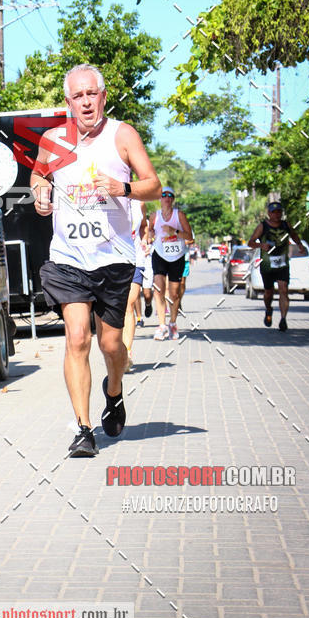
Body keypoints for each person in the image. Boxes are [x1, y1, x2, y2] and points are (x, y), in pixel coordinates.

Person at [30, 64, 161, 457]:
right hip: (68, 258)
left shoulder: (122, 136)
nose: (86, 102)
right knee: (77, 337)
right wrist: (41, 194)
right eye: (78, 96)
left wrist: (123, 187)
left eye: (92, 94)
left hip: (114, 259)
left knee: (111, 343)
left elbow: (152, 184)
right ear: (68, 102)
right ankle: (84, 430)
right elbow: (38, 176)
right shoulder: (53, 140)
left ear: (103, 97)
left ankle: (115, 391)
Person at [248, 200, 305, 331]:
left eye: (279, 212)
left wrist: (300, 245)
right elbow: (250, 243)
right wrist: (261, 245)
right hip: (267, 265)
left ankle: (283, 319)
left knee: (283, 289)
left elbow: (294, 235)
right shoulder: (262, 226)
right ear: (269, 213)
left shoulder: (286, 225)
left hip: (282, 264)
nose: (276, 215)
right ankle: (268, 309)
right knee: (269, 293)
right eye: (274, 212)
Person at [148, 187, 193, 341]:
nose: (166, 198)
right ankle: (161, 325)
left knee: (174, 293)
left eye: (170, 195)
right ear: (159, 199)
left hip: (177, 256)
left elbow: (190, 237)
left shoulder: (179, 215)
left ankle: (173, 323)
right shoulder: (154, 216)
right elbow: (149, 233)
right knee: (158, 289)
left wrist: (175, 232)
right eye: (163, 195)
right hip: (160, 254)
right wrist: (150, 235)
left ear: (173, 199)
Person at [122, 200, 154, 372]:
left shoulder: (139, 203)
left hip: (135, 259)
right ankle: (115, 350)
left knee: (129, 304)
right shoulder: (104, 200)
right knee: (115, 308)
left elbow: (144, 226)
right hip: (112, 260)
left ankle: (126, 353)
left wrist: (144, 241)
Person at [177, 240, 194, 313]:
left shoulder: (187, 228)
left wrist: (184, 242)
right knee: (175, 283)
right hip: (173, 259)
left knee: (182, 283)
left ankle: (178, 301)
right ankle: (176, 302)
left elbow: (192, 240)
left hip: (185, 260)